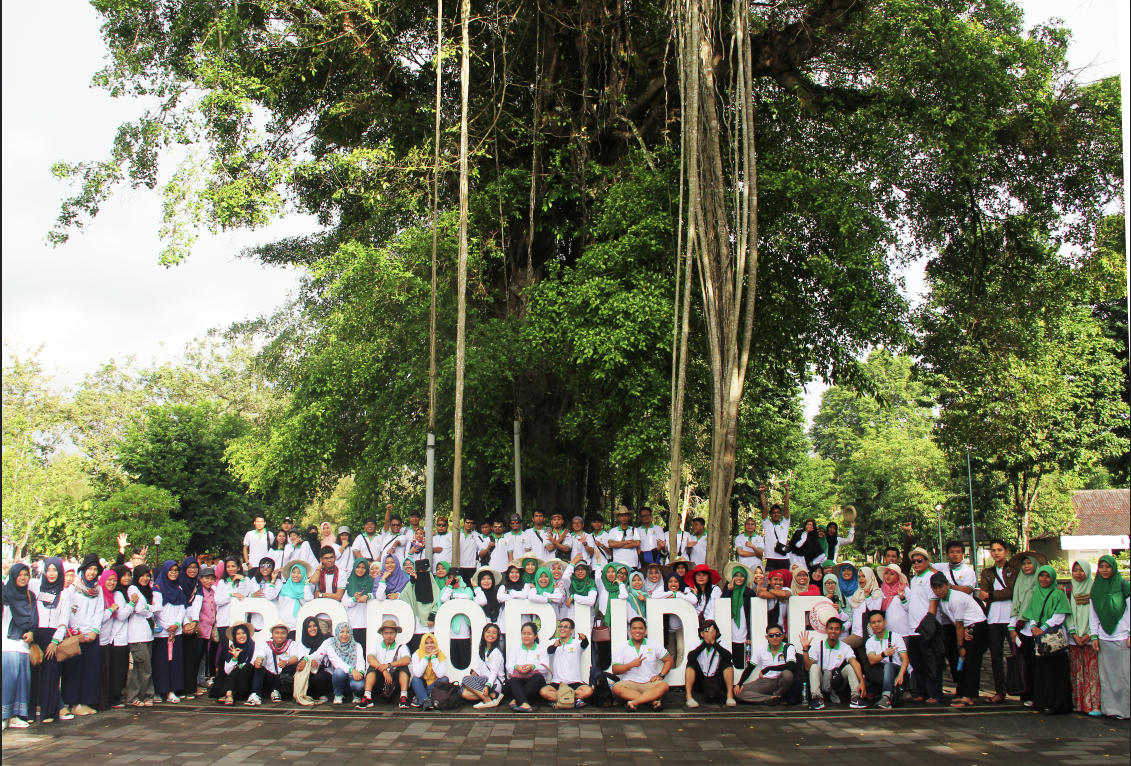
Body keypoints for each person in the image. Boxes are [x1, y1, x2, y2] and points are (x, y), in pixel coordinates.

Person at [50, 554, 107, 716]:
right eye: (89, 569)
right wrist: (78, 631)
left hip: (92, 635)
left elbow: (99, 610)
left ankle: (86, 701)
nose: (92, 572)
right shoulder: (73, 589)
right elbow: (68, 612)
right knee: (75, 670)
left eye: (95, 569)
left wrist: (95, 630)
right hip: (76, 635)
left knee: (90, 670)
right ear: (83, 570)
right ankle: (74, 703)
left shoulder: (98, 590)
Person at [930, 572, 987, 707]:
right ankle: (968, 695)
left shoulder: (955, 599)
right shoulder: (943, 600)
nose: (938, 590)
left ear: (948, 585)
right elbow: (956, 621)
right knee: (965, 663)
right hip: (967, 626)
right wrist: (965, 630)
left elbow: (960, 625)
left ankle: (969, 697)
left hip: (977, 625)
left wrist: (960, 646)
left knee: (971, 660)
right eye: (935, 587)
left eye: (941, 586)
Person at [1022, 564, 1072, 715]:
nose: (1044, 579)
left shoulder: (1058, 594)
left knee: (1055, 673)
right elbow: (1031, 614)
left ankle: (1056, 704)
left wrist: (1042, 628)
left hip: (1052, 638)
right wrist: (1033, 628)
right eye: (1041, 576)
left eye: (1047, 576)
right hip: (1039, 640)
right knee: (1042, 671)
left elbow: (1060, 615)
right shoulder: (1036, 593)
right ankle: (1042, 702)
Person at [28, 557, 69, 722]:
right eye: (49, 570)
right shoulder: (36, 586)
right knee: (33, 676)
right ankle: (29, 713)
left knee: (51, 676)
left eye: (55, 570)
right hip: (36, 636)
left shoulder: (64, 593)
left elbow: (64, 621)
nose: (52, 574)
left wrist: (55, 641)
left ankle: (49, 713)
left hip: (54, 637)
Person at [1089, 554, 1129, 720]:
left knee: (1125, 676)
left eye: (1108, 567)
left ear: (1114, 567)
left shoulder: (1124, 585)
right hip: (1104, 638)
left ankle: (1125, 711)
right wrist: (1094, 635)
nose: (1104, 570)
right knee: (1107, 677)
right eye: (1101, 567)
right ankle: (1111, 709)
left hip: (1122, 637)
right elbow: (1093, 614)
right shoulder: (1096, 587)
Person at [977, 538, 1015, 704]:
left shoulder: (1014, 570)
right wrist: (990, 594)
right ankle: (1000, 692)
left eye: (1000, 550)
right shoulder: (987, 572)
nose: (996, 553)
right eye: (993, 550)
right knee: (996, 657)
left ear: (1005, 552)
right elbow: (982, 593)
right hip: (993, 619)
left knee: (1015, 655)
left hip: (1012, 618)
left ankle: (1020, 689)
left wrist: (992, 595)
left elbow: (1011, 592)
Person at [904, 547, 942, 704]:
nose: (916, 564)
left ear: (927, 562)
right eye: (914, 561)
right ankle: (922, 691)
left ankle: (935, 693)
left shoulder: (931, 578)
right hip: (913, 629)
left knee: (931, 664)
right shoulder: (914, 579)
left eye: (920, 560)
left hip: (926, 629)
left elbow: (933, 603)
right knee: (918, 664)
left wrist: (929, 624)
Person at [800, 617, 866, 709]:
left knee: (850, 667)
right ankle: (817, 698)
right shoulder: (817, 646)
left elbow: (854, 662)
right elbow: (808, 667)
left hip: (837, 681)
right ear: (826, 630)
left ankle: (856, 698)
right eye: (831, 628)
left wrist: (862, 681)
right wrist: (805, 649)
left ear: (841, 631)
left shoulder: (845, 647)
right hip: (822, 681)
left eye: (837, 629)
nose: (833, 631)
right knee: (814, 666)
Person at [1063, 558, 1101, 715]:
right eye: (1075, 570)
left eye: (1081, 570)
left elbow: (1097, 613)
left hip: (1090, 638)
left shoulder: (1095, 589)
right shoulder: (1069, 590)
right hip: (1074, 638)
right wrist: (1074, 633)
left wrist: (1089, 634)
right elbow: (1067, 613)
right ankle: (1078, 704)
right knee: (1077, 671)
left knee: (1092, 672)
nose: (1078, 573)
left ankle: (1094, 705)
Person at [611, 617, 673, 711]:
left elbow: (669, 660)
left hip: (649, 682)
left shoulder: (653, 645)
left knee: (664, 686)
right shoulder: (623, 647)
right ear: (630, 631)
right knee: (616, 688)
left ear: (645, 630)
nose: (638, 631)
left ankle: (635, 702)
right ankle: (652, 701)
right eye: (634, 628)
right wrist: (631, 665)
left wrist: (661, 675)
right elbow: (615, 670)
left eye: (641, 628)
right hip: (630, 682)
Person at [2, 563, 35, 729]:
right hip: (6, 643)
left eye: (26, 575)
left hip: (23, 644)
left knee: (22, 681)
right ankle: (3, 717)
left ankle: (14, 716)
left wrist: (31, 632)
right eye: (19, 575)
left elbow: (34, 618)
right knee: (7, 681)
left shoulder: (30, 596)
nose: (23, 578)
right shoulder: (6, 593)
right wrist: (3, 575)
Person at [1009, 553, 1042, 706]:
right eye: (1024, 564)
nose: (1027, 566)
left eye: (1030, 563)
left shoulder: (1042, 580)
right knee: (1026, 663)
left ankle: (1040, 695)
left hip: (1040, 628)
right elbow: (1016, 603)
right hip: (1023, 628)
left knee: (1039, 664)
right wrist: (1012, 627)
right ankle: (1028, 695)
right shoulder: (1020, 582)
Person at [736, 623, 796, 704]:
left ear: (782, 636)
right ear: (767, 637)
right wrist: (739, 684)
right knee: (738, 693)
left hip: (780, 681)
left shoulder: (789, 647)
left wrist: (768, 668)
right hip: (765, 682)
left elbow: (791, 666)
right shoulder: (761, 649)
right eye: (771, 635)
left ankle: (778, 695)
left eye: (778, 635)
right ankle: (771, 698)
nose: (774, 637)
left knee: (787, 674)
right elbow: (750, 667)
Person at [540, 617, 593, 707]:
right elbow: (550, 651)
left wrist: (584, 639)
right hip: (557, 682)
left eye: (566, 627)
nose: (562, 629)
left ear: (572, 631)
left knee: (588, 691)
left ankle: (561, 699)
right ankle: (574, 700)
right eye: (560, 626)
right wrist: (555, 645)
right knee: (544, 692)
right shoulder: (553, 641)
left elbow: (584, 645)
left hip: (575, 681)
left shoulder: (576, 643)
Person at [359, 620, 412, 708]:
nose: (388, 636)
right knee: (372, 667)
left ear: (396, 634)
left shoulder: (402, 647)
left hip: (394, 681)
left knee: (403, 667)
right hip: (380, 679)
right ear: (382, 634)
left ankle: (403, 697)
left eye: (391, 633)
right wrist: (383, 670)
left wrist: (389, 665)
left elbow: (407, 660)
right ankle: (367, 697)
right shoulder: (376, 645)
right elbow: (370, 659)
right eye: (386, 633)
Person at [253, 621, 308, 703]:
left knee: (290, 668)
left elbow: (294, 658)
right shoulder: (267, 644)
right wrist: (258, 662)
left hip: (283, 678)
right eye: (277, 633)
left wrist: (287, 662)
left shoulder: (291, 644)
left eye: (283, 633)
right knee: (259, 669)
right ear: (272, 634)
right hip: (270, 676)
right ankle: (254, 695)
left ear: (286, 634)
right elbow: (260, 656)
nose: (279, 636)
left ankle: (276, 691)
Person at [684, 620, 736, 707]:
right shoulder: (697, 644)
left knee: (727, 662)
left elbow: (728, 657)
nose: (710, 633)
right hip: (701, 681)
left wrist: (714, 644)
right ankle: (689, 697)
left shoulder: (721, 643)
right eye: (707, 630)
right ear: (702, 634)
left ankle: (730, 696)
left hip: (716, 680)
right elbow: (690, 658)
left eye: (713, 630)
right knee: (691, 663)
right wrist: (705, 643)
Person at [863, 610, 908, 709]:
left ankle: (886, 697)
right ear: (870, 625)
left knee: (888, 665)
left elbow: (905, 659)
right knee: (863, 686)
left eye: (879, 621)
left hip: (897, 672)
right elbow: (872, 660)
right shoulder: (870, 641)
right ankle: (877, 692)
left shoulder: (895, 637)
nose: (877, 625)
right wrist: (884, 654)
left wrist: (901, 674)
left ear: (885, 622)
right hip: (881, 674)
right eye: (873, 623)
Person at [124, 564, 155, 707]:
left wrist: (148, 609)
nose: (145, 578)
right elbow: (138, 608)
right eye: (142, 575)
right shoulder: (133, 588)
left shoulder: (147, 591)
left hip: (147, 635)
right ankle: (148, 695)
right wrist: (150, 610)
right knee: (146, 668)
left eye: (147, 575)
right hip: (137, 637)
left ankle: (133, 696)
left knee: (138, 668)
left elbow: (146, 607)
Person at [505, 621, 550, 712]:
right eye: (524, 633)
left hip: (535, 687)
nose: (526, 636)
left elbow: (545, 668)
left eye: (529, 634)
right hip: (517, 684)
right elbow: (508, 665)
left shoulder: (541, 649)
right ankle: (525, 704)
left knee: (538, 677)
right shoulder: (515, 648)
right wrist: (517, 667)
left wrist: (532, 667)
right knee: (513, 681)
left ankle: (518, 699)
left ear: (535, 635)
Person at [176, 557, 204, 700]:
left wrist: (194, 622)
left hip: (192, 625)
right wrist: (185, 623)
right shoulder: (179, 583)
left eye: (195, 567)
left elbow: (197, 604)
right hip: (179, 625)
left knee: (191, 658)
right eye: (190, 567)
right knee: (179, 658)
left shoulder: (197, 584)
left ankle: (190, 688)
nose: (192, 570)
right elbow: (180, 604)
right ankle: (179, 688)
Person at [321, 622, 367, 704]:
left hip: (354, 677)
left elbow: (360, 661)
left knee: (359, 686)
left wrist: (360, 672)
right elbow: (338, 663)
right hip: (340, 680)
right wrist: (352, 670)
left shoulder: (357, 646)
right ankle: (338, 695)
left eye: (347, 632)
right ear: (337, 633)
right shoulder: (331, 648)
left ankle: (356, 695)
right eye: (341, 632)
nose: (345, 635)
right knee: (338, 672)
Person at [462, 623, 505, 708]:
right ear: (484, 634)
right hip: (484, 680)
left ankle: (487, 700)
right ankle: (493, 696)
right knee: (463, 693)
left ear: (497, 636)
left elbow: (494, 673)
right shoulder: (482, 650)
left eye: (494, 633)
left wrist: (487, 686)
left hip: (494, 682)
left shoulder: (495, 651)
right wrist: (476, 674)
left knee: (466, 679)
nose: (490, 635)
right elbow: (479, 668)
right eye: (488, 632)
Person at [440, 569, 475, 669]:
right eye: (450, 577)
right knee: (452, 659)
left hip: (464, 630)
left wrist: (455, 596)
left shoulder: (466, 588)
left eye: (455, 577)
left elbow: (470, 596)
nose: (452, 579)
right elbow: (444, 599)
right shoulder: (445, 589)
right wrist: (451, 586)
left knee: (465, 659)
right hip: (450, 630)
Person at [216, 623, 259, 705]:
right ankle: (229, 694)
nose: (241, 636)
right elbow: (227, 671)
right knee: (236, 669)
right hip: (235, 677)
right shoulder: (232, 648)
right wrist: (234, 658)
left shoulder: (253, 645)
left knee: (246, 667)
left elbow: (253, 662)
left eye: (243, 633)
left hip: (248, 678)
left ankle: (229, 694)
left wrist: (241, 665)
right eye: (238, 634)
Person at [723, 563, 756, 668]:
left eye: (742, 576)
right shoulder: (728, 591)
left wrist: (750, 634)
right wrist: (729, 590)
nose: (739, 578)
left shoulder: (749, 593)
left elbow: (752, 615)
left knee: (742, 662)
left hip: (744, 634)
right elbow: (721, 605)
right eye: (736, 575)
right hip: (730, 633)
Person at [296, 617, 334, 704]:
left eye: (314, 626)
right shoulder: (302, 643)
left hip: (325, 671)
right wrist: (310, 661)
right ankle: (307, 695)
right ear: (305, 629)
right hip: (308, 671)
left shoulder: (327, 639)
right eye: (309, 627)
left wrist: (307, 659)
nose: (313, 629)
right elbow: (300, 657)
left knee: (318, 678)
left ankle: (322, 694)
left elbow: (320, 653)